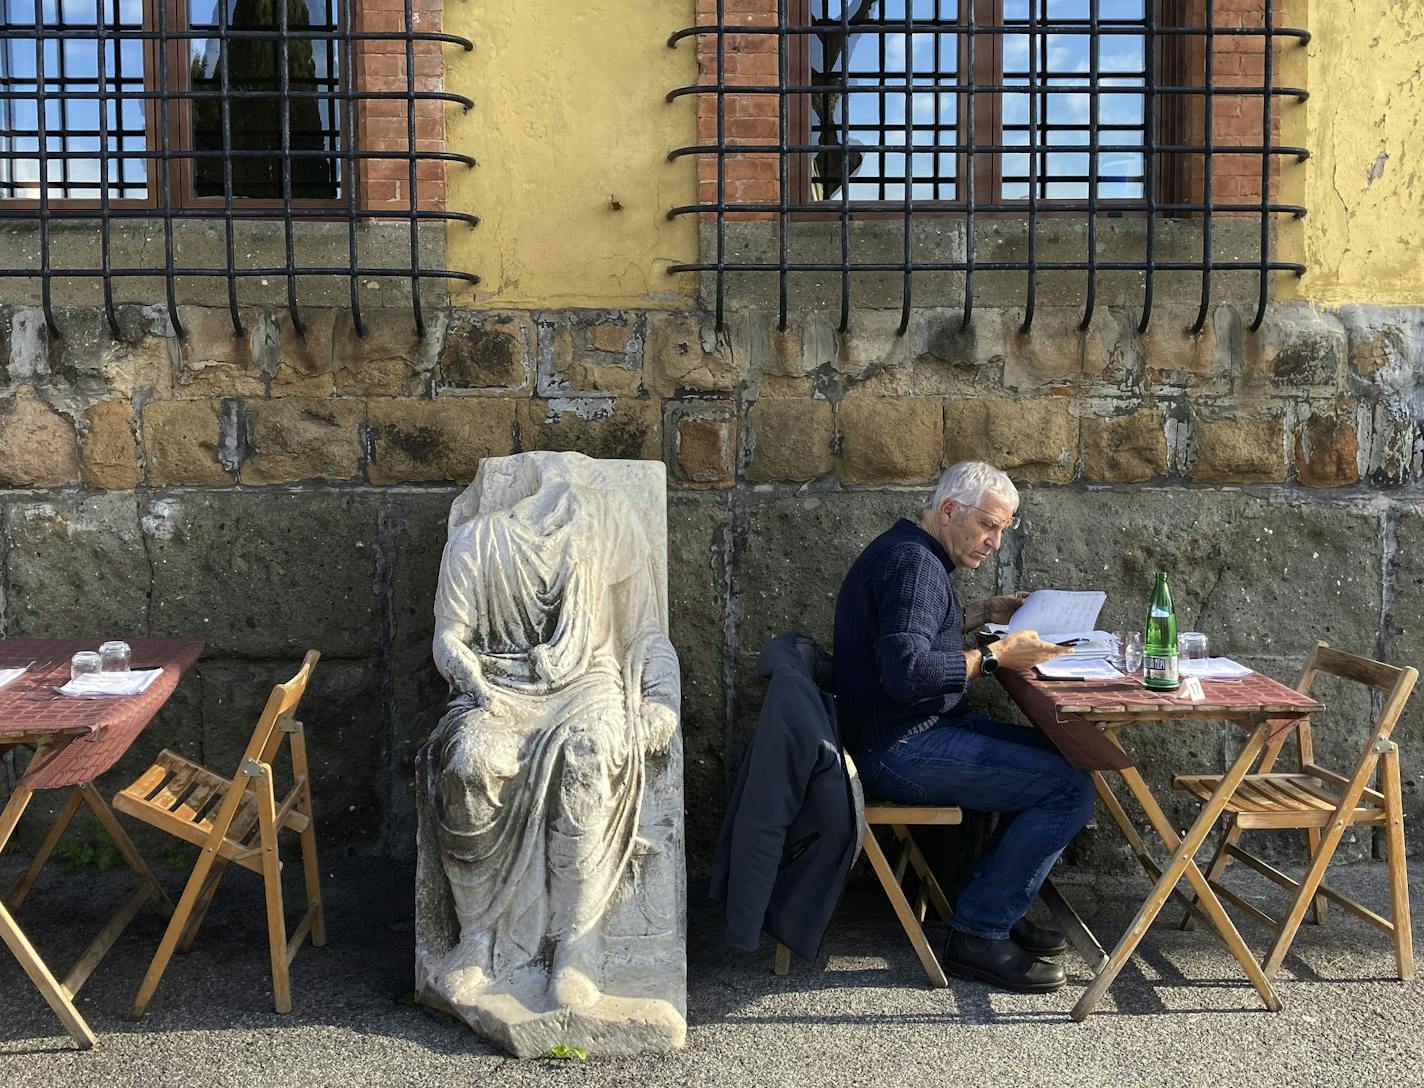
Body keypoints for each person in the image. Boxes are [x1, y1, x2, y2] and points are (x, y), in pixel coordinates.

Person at [832, 460, 1095, 993]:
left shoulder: (909, 553)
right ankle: (979, 931)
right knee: (1068, 788)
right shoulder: (915, 568)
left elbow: (918, 626)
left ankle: (993, 900)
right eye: (989, 526)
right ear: (950, 511)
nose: (996, 542)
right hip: (901, 749)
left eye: (1004, 528)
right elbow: (906, 672)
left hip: (903, 733)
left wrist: (986, 610)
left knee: (1065, 755)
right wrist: (996, 656)